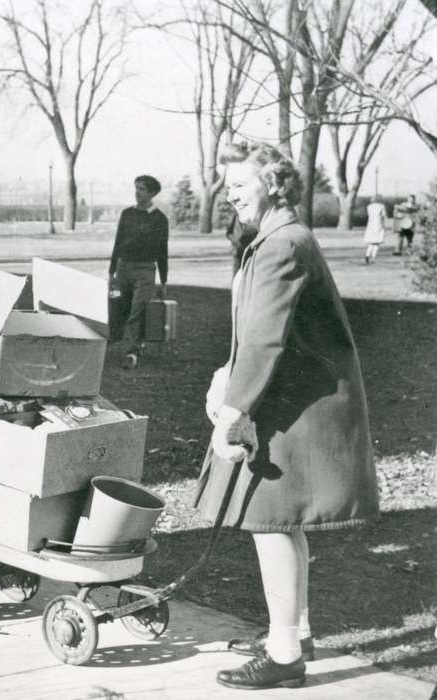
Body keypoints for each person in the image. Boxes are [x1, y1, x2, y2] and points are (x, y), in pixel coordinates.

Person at [198, 141, 378, 690]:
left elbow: (265, 342)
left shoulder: (281, 246)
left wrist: (233, 413)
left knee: (270, 523)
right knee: (283, 523)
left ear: (274, 184)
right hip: (295, 402)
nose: (229, 193)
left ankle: (283, 656)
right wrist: (224, 374)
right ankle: (294, 632)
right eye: (225, 184)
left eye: (240, 182)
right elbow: (256, 334)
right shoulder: (281, 238)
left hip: (295, 408)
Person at [108, 175, 169, 369]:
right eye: (136, 188)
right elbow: (117, 242)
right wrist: (111, 272)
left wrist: (164, 281)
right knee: (121, 309)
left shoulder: (160, 219)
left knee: (138, 309)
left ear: (152, 193)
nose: (137, 192)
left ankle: (132, 352)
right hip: (123, 268)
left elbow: (162, 251)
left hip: (145, 271)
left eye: (142, 189)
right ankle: (129, 343)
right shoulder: (127, 214)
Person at [363, 195, 387, 264]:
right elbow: (384, 215)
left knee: (371, 242)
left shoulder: (369, 206)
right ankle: (373, 257)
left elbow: (368, 215)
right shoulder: (381, 206)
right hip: (378, 223)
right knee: (377, 242)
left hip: (370, 223)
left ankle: (367, 254)